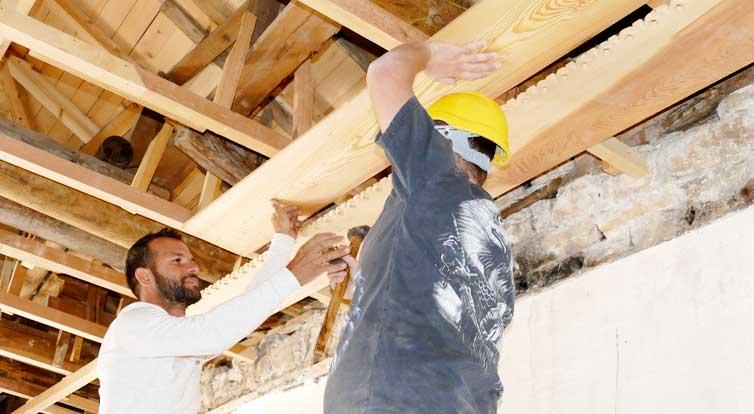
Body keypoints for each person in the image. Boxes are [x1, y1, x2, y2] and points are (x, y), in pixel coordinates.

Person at [324, 40, 515, 414]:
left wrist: (429, 57)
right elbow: (438, 309)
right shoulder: (482, 227)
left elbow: (385, 72)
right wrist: (362, 283)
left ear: (439, 138)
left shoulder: (434, 176)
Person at [98, 200, 352, 414]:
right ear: (145, 277)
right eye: (177, 260)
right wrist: (294, 273)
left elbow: (250, 304)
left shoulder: (173, 341)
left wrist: (284, 241)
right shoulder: (132, 325)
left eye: (191, 260)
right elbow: (211, 334)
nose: (194, 267)